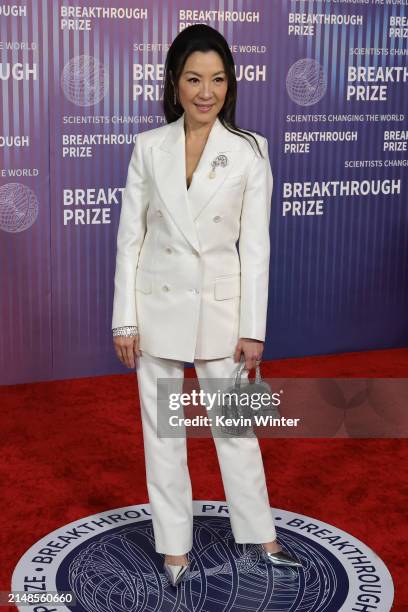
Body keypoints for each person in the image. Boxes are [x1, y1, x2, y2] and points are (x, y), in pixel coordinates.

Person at [112, 24, 301, 587]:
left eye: (217, 79)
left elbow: (256, 249)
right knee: (163, 435)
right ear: (174, 83)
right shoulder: (149, 146)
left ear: (229, 85)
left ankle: (261, 533)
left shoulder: (250, 151)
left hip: (222, 313)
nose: (206, 91)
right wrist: (126, 319)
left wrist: (254, 329)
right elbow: (131, 239)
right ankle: (174, 547)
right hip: (158, 308)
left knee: (236, 430)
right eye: (194, 78)